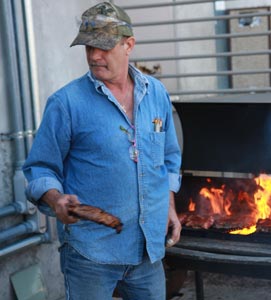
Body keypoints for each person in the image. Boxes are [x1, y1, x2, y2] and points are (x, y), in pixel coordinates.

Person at [22, 2, 182, 299]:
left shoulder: (156, 93)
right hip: (90, 255)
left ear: (128, 45)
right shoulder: (66, 103)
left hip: (148, 252)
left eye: (104, 47)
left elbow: (169, 159)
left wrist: (170, 206)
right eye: (88, 47)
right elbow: (40, 168)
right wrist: (56, 199)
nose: (94, 56)